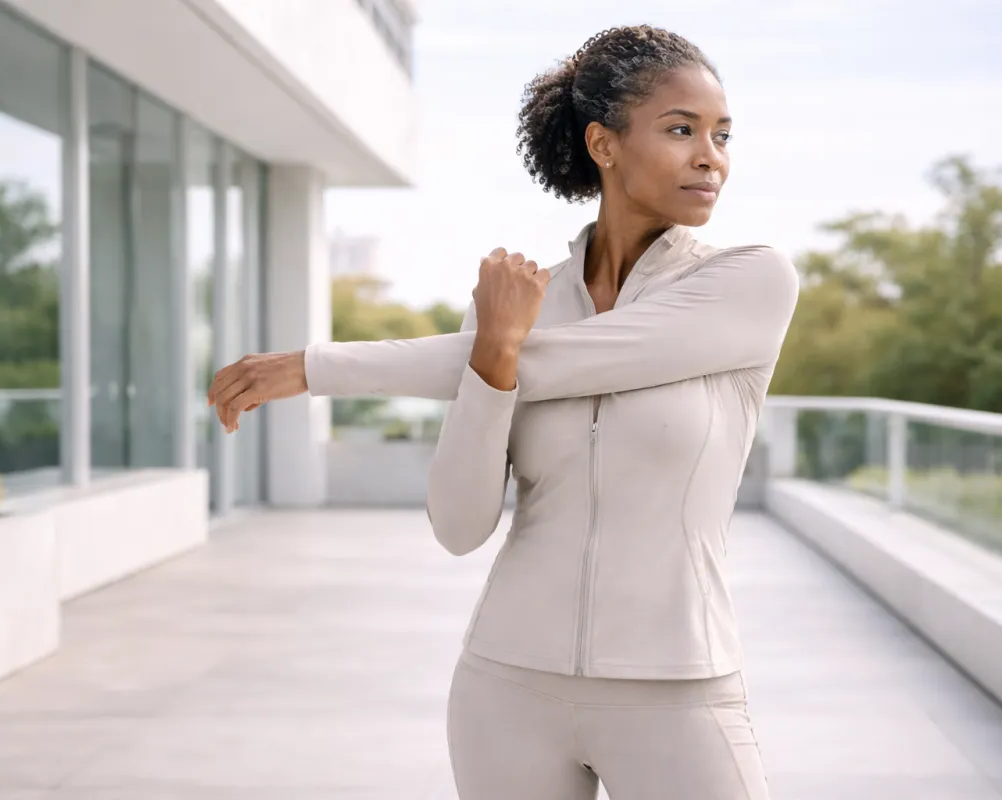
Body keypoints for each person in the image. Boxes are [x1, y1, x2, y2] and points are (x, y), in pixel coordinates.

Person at [209, 24, 798, 800]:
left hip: (678, 687)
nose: (710, 156)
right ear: (604, 144)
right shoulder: (515, 306)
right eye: (681, 130)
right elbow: (459, 527)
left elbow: (561, 357)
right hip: (505, 686)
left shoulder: (748, 283)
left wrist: (315, 366)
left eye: (721, 135)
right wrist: (490, 359)